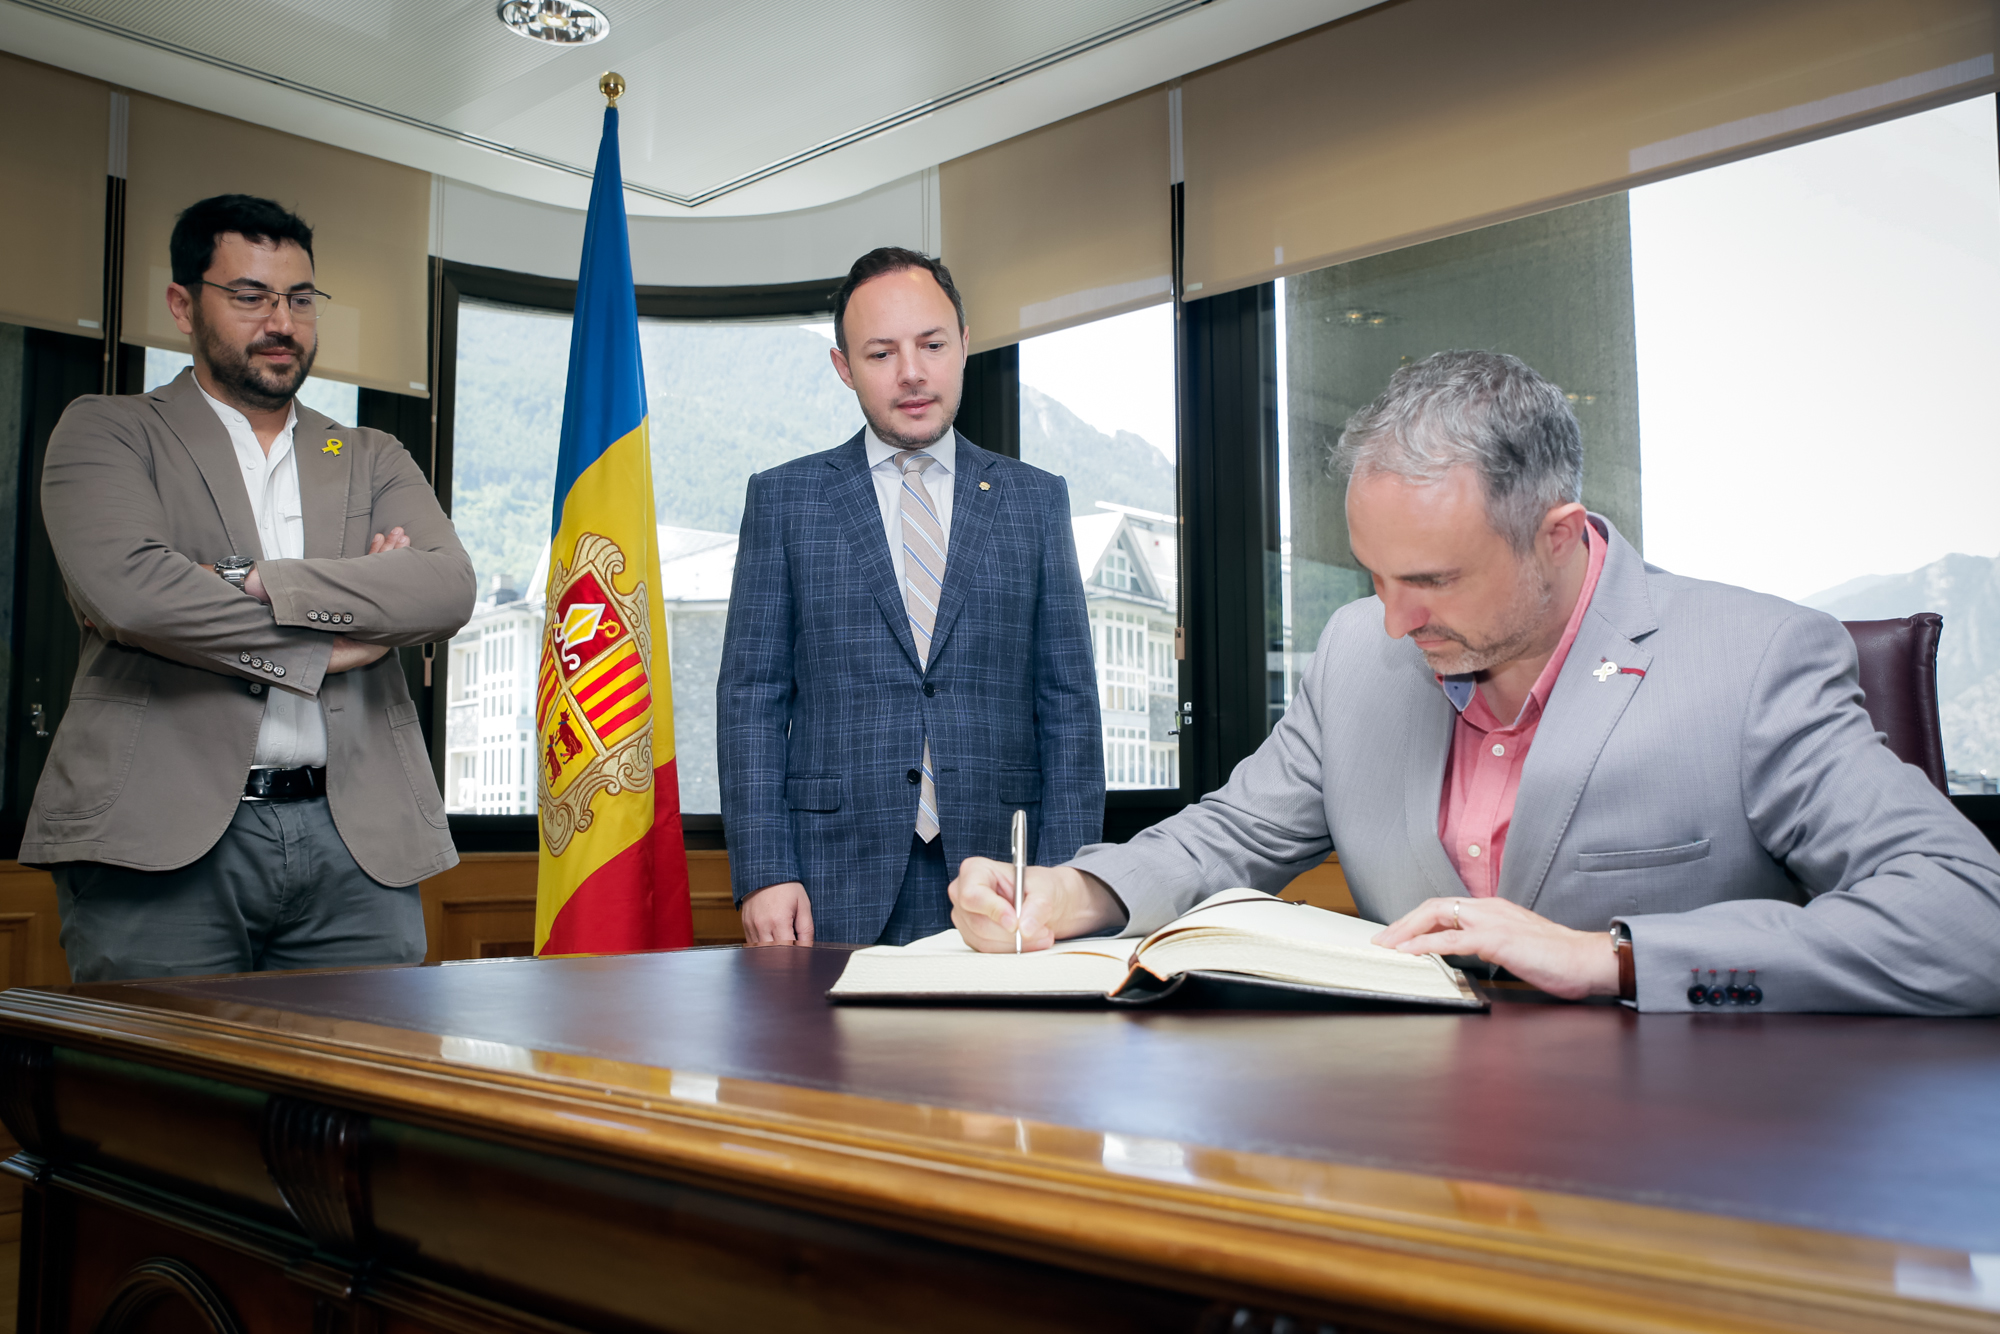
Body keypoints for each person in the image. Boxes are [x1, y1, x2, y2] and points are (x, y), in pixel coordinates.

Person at [948, 349, 2000, 1014]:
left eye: (1432, 581)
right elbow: (1225, 834)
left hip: (1674, 1161)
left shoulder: (1755, 660)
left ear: (1556, 536)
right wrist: (1076, 893)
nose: (1392, 618)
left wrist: (1614, 958)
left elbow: (1967, 917)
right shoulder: (1359, 653)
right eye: (1373, 576)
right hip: (1404, 1138)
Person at [23, 194, 475, 981]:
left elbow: (444, 589)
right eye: (250, 296)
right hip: (158, 836)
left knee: (361, 1065)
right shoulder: (109, 430)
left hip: (359, 844)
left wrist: (249, 579)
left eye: (300, 299)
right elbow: (133, 594)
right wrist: (343, 636)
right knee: (165, 1067)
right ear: (182, 305)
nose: (281, 322)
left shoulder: (372, 455)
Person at [719, 247, 1103, 945]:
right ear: (844, 367)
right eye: (880, 353)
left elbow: (1069, 706)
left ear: (964, 345)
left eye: (932, 344)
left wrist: (1066, 879)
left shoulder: (1036, 501)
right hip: (827, 878)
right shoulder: (784, 501)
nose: (912, 373)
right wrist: (765, 870)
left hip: (1004, 878)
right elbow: (751, 700)